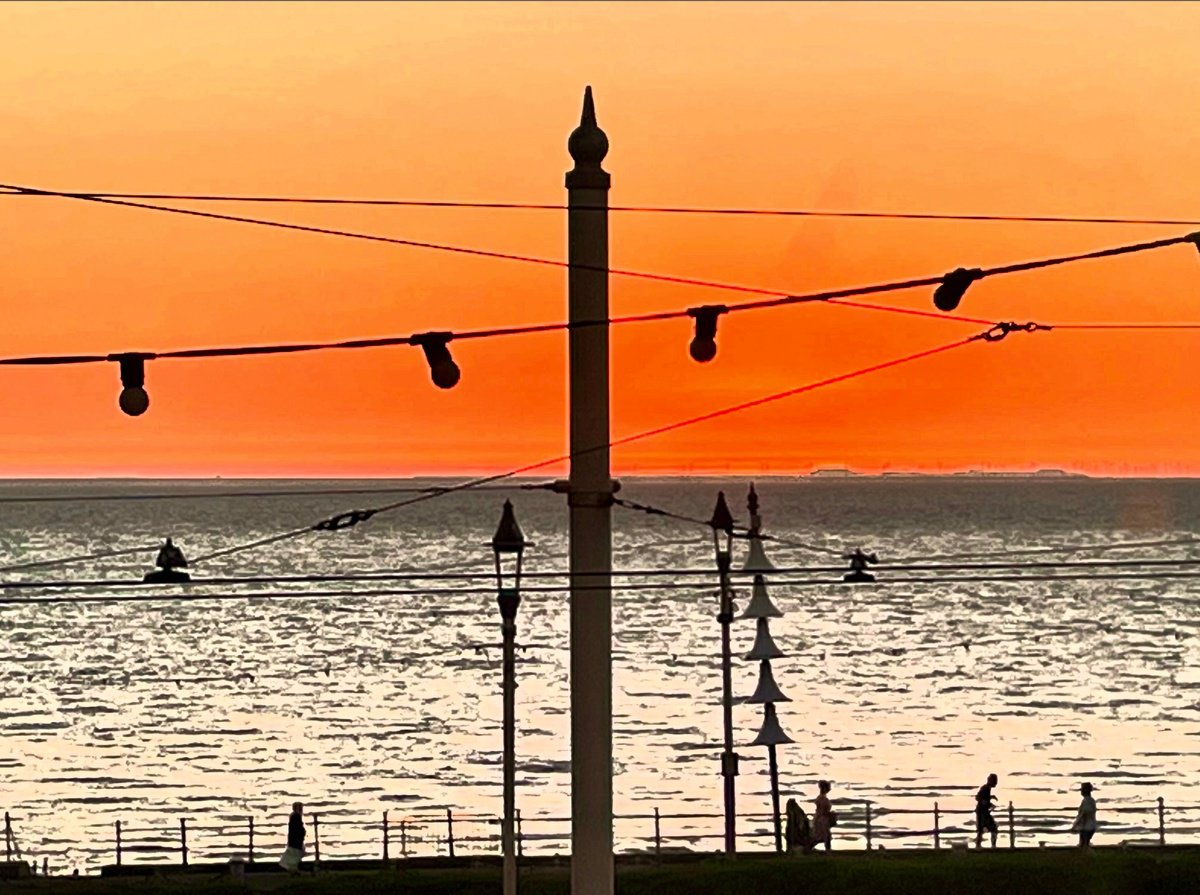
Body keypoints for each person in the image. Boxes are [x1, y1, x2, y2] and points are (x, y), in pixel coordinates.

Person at [279, 802, 306, 873]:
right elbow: (296, 829)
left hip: (295, 840)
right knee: (295, 854)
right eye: (299, 808)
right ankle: (292, 869)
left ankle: (293, 869)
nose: (301, 809)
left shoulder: (294, 816)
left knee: (295, 854)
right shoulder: (296, 816)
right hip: (296, 840)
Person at [975, 773, 999, 849]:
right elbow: (978, 797)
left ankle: (978, 846)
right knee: (993, 828)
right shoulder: (985, 788)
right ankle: (993, 846)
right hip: (983, 812)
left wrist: (990, 798)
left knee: (981, 830)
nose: (996, 783)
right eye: (995, 781)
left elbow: (983, 798)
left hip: (982, 811)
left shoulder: (986, 788)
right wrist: (988, 803)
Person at [1070, 783, 1097, 848]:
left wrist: (1075, 825)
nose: (1081, 792)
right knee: (1084, 844)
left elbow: (1083, 814)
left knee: (1084, 845)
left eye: (1082, 790)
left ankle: (1089, 856)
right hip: (1090, 826)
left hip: (1087, 827)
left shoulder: (1087, 801)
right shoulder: (1090, 800)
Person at [812, 780, 836, 851]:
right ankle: (828, 851)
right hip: (822, 820)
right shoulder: (822, 798)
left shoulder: (821, 798)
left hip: (822, 819)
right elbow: (823, 811)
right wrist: (831, 814)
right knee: (823, 836)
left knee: (823, 836)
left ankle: (828, 850)